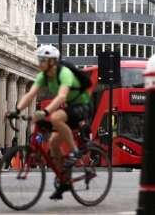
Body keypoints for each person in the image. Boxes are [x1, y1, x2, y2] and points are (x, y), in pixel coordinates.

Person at [8, 44, 92, 200]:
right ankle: (64, 181)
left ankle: (74, 152)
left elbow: (61, 96)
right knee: (53, 143)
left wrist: (45, 112)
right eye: (39, 60)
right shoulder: (43, 76)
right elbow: (30, 94)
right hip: (69, 108)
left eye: (43, 60)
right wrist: (17, 110)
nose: (39, 64)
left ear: (52, 61)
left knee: (55, 117)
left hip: (82, 106)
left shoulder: (64, 73)